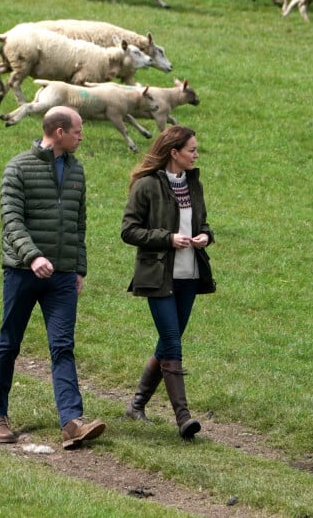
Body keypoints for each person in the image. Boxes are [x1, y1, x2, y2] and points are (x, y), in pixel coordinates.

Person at [0, 106, 106, 449]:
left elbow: (78, 223)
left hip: (63, 277)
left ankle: (71, 422)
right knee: (9, 342)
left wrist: (78, 267)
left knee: (63, 346)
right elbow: (11, 220)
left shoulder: (76, 170)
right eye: (78, 131)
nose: (82, 136)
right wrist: (33, 255)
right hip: (22, 272)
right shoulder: (18, 168)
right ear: (58, 132)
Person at [121, 125, 216, 439]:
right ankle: (183, 418)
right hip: (158, 277)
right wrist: (168, 239)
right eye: (191, 149)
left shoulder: (193, 184)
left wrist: (205, 236)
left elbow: (201, 223)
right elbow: (129, 231)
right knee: (173, 343)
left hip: (190, 275)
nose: (196, 154)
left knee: (167, 343)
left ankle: (136, 405)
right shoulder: (146, 185)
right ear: (174, 152)